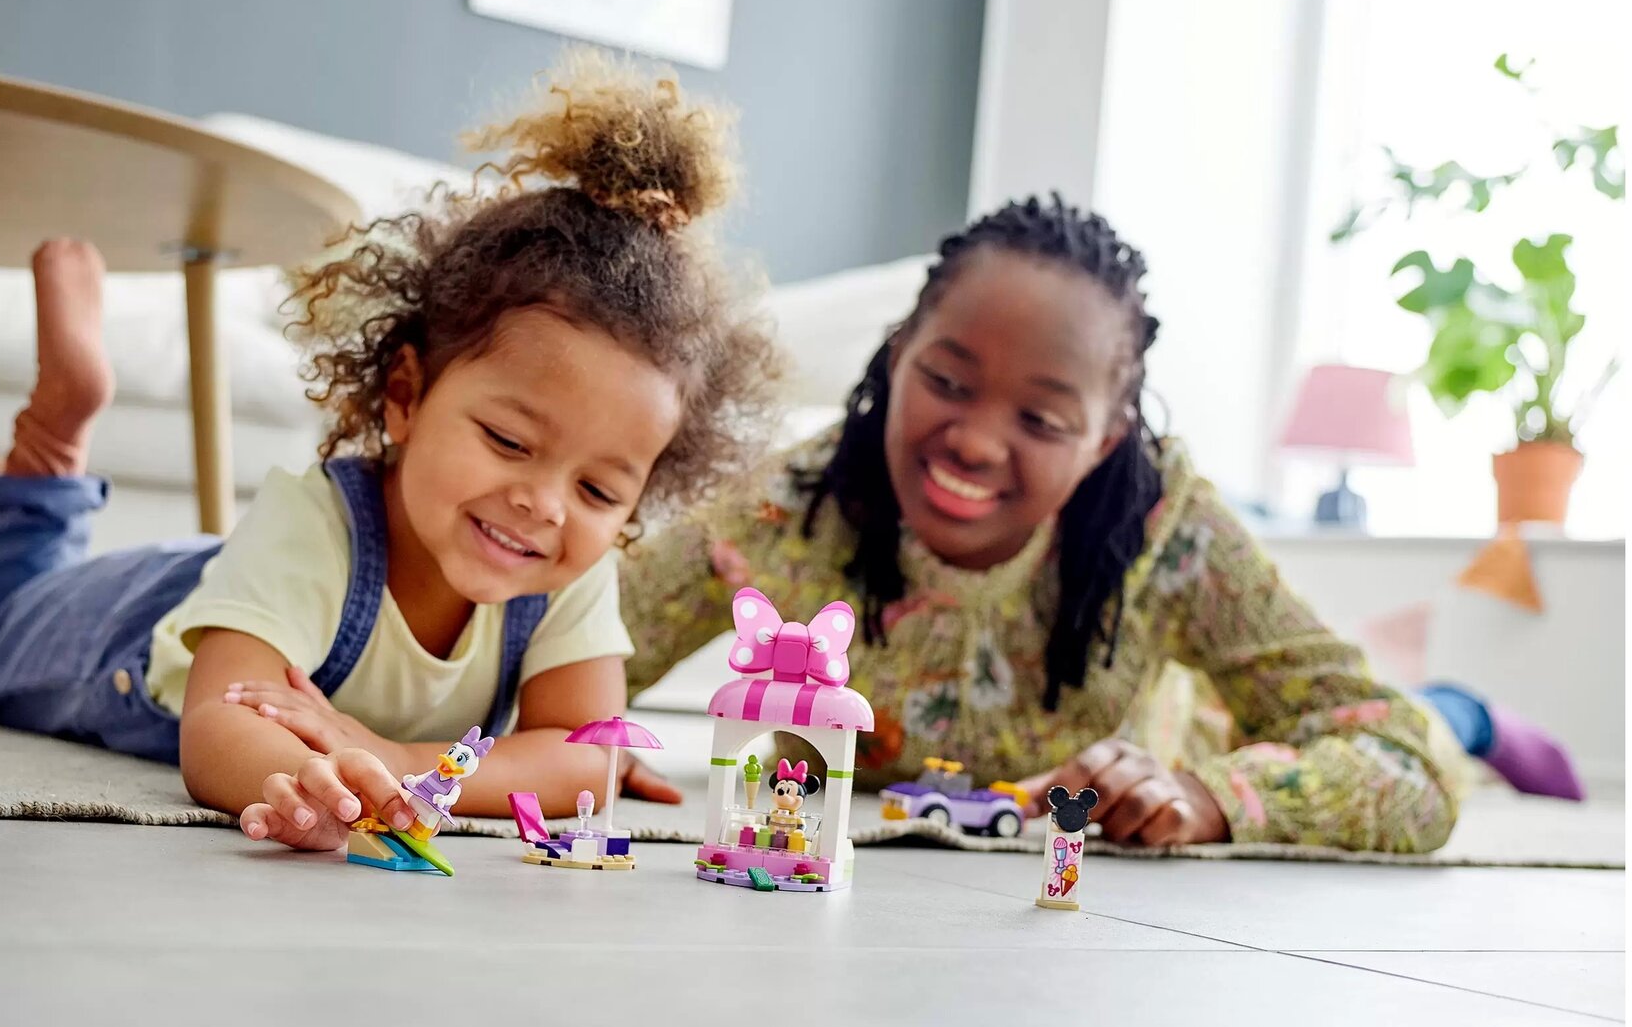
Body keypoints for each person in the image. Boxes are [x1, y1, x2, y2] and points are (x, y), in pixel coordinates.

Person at [0, 52, 776, 853]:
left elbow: (585, 754)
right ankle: (54, 438)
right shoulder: (315, 523)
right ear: (405, 395)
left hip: (251, 588)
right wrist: (313, 783)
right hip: (124, 627)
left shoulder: (564, 567)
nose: (546, 503)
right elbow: (219, 724)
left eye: (599, 491)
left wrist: (399, 764)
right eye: (509, 441)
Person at [619, 195, 1474, 852]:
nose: (976, 441)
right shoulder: (785, 506)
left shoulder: (1169, 531)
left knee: (1440, 725)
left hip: (1216, 725)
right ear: (898, 350)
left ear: (1104, 440)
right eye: (947, 382)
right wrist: (578, 728)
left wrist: (1211, 796)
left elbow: (1404, 763)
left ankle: (1472, 713)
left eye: (1042, 420)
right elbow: (575, 651)